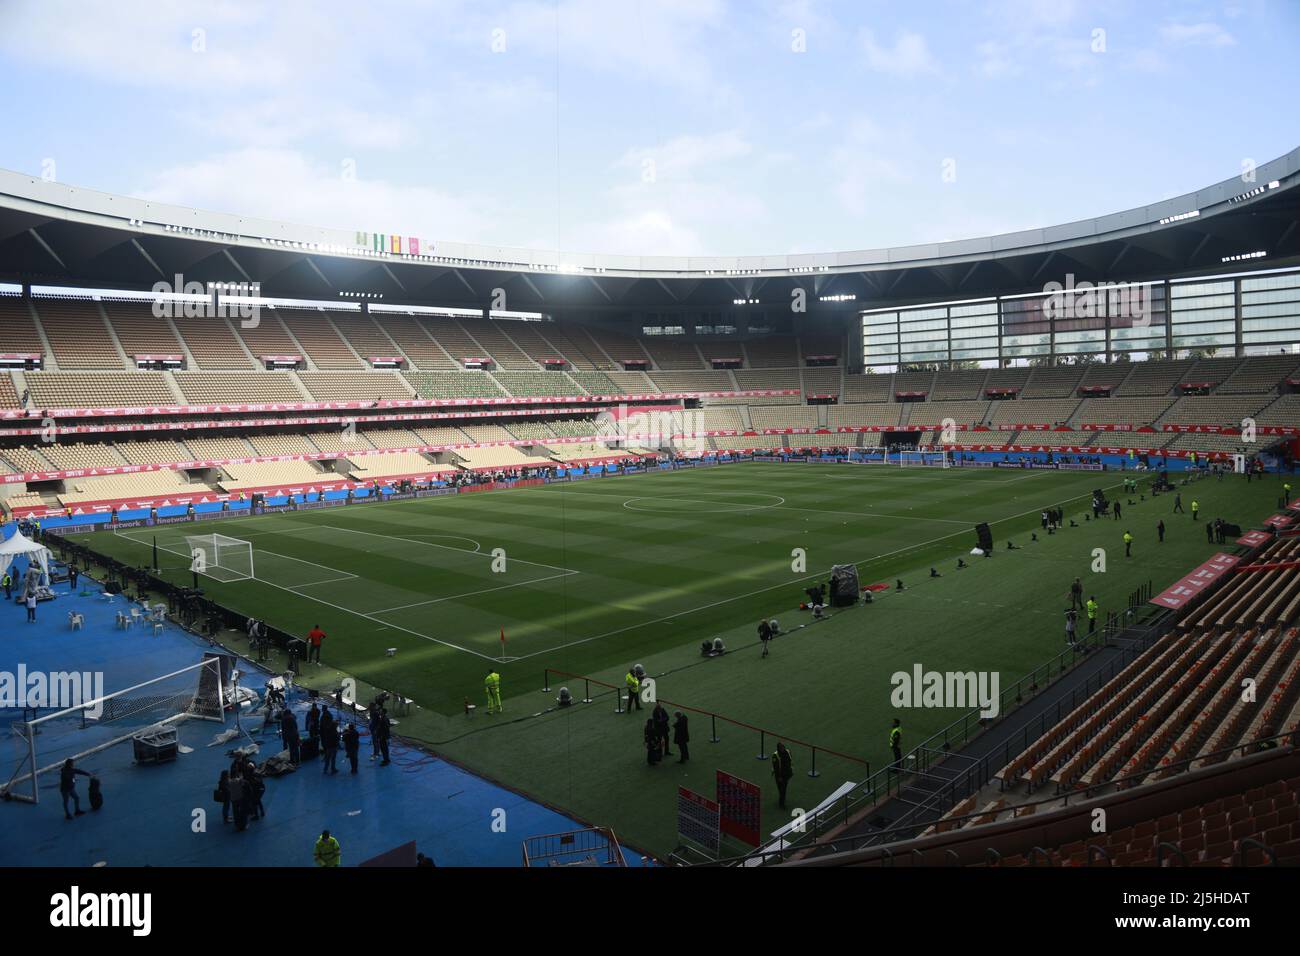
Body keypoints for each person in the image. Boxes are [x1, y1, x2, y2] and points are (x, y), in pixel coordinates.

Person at [772, 741, 793, 809]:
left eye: (783, 747)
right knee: (781, 789)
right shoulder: (775, 755)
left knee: (783, 789)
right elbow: (776, 768)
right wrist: (779, 777)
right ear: (778, 748)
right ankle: (782, 802)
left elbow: (790, 761)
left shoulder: (787, 752)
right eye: (781, 748)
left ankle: (782, 802)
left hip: (786, 774)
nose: (782, 749)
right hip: (780, 776)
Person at [320, 707, 339, 775]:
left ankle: (325, 769)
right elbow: (337, 739)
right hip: (333, 747)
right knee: (333, 759)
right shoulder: (334, 732)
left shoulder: (327, 731)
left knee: (328, 758)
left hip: (328, 746)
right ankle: (333, 769)